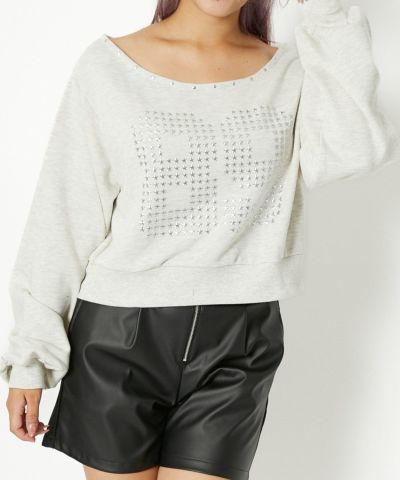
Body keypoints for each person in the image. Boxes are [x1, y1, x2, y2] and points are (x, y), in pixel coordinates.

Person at [1, 0, 399, 479]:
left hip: (239, 339)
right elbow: (65, 211)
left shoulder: (291, 71)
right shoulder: (109, 66)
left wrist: (328, 11)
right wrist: (31, 357)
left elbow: (354, 153)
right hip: (117, 335)